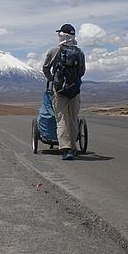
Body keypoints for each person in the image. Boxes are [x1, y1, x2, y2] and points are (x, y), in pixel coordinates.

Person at [42, 23, 86, 160]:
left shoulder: (54, 51)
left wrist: (53, 80)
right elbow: (82, 72)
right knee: (73, 119)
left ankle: (65, 149)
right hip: (75, 90)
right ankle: (73, 148)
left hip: (59, 91)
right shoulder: (80, 52)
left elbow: (45, 68)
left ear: (61, 35)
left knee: (62, 119)